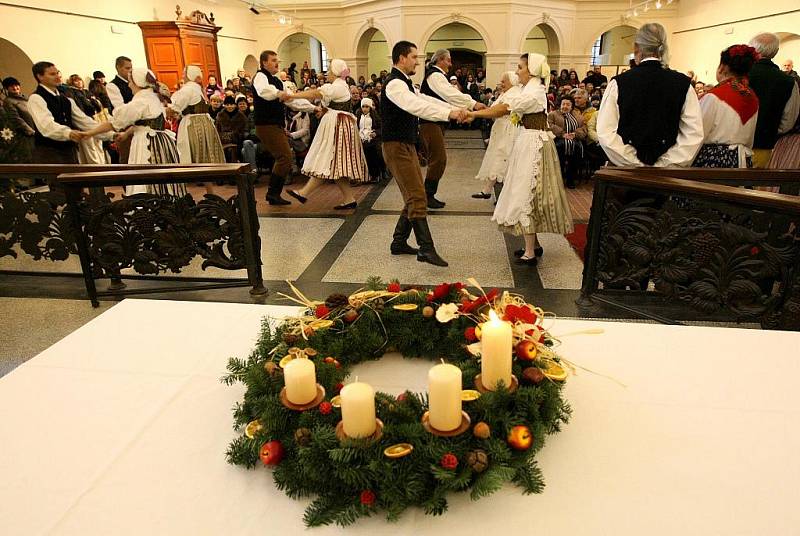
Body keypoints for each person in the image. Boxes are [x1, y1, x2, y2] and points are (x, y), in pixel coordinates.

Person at [466, 53, 573, 265]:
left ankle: (530, 253)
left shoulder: (533, 91)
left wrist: (474, 114)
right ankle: (534, 245)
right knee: (526, 192)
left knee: (526, 192)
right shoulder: (530, 89)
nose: (517, 71)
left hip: (534, 145)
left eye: (520, 67)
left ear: (531, 70)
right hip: (528, 141)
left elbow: (503, 109)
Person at [382, 41, 468, 267]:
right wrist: (450, 113)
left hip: (405, 144)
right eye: (414, 57)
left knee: (415, 193)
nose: (417, 62)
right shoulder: (394, 84)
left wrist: (452, 111)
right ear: (401, 58)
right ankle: (426, 248)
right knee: (417, 196)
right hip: (395, 146)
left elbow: (424, 100)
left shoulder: (404, 82)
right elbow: (415, 106)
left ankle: (398, 242)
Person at [597, 22, 703, 167]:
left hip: (624, 175)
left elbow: (606, 132)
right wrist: (665, 164)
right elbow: (693, 134)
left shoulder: (619, 83)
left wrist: (633, 162)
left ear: (636, 48)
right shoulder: (683, 84)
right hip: (666, 177)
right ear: (664, 47)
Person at [82, 68, 185, 196]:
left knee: (146, 179)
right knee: (161, 180)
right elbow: (144, 123)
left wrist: (89, 133)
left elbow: (113, 123)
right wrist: (126, 134)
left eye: (130, 81)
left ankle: (148, 206)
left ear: (137, 83)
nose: (129, 84)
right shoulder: (153, 97)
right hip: (160, 141)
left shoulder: (140, 102)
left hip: (147, 143)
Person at [282, 59, 369, 209]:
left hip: (338, 126)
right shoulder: (340, 86)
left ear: (335, 73)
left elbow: (317, 92)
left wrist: (293, 95)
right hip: (338, 124)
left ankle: (304, 192)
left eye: (329, 70)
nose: (327, 73)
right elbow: (332, 102)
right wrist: (323, 110)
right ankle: (349, 199)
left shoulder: (338, 86)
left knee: (327, 158)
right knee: (335, 163)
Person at [419, 49, 486, 208]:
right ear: (440, 59)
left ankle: (427, 195)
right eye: (448, 60)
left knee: (437, 160)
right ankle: (426, 196)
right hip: (430, 122)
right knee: (438, 159)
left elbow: (447, 98)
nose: (450, 64)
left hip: (435, 121)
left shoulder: (437, 75)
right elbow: (450, 94)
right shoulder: (435, 75)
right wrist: (473, 104)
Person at [252, 50, 313, 205]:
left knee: (283, 158)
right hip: (266, 125)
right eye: (273, 60)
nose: (276, 63)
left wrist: (313, 108)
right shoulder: (261, 77)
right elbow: (264, 91)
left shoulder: (277, 80)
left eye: (277, 60)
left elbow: (291, 101)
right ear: (264, 62)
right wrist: (279, 93)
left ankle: (273, 194)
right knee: (284, 157)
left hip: (275, 125)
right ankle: (272, 194)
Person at [693, 44, 760, 168]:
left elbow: (697, 134)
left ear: (722, 68)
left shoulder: (715, 96)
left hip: (714, 160)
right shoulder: (752, 97)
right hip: (742, 161)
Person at [26, 61, 107, 164]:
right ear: (40, 76)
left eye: (57, 73)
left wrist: (110, 133)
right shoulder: (36, 98)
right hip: (48, 153)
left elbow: (84, 121)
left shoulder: (66, 100)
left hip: (69, 152)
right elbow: (46, 126)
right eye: (52, 74)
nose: (57, 76)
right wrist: (68, 133)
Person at [168, 65, 225, 194]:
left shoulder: (188, 89)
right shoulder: (199, 89)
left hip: (193, 125)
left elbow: (175, 106)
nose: (183, 75)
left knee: (191, 156)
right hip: (204, 123)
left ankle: (183, 193)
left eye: (184, 73)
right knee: (203, 158)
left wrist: (167, 108)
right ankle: (210, 192)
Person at [747, 33, 800, 168]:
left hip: (734, 147)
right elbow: (788, 121)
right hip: (766, 146)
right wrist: (770, 131)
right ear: (775, 52)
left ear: (752, 49)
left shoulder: (740, 75)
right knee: (757, 187)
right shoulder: (789, 82)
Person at [472, 70, 522, 200]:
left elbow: (500, 110)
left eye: (503, 81)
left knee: (504, 159)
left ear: (512, 82)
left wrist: (474, 114)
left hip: (509, 131)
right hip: (500, 130)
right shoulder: (505, 93)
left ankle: (504, 197)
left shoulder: (514, 94)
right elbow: (493, 109)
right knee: (497, 158)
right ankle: (487, 190)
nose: (501, 83)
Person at [548, 95, 587, 188]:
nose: (565, 106)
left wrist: (575, 134)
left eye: (568, 105)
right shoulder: (553, 114)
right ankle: (558, 179)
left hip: (574, 139)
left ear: (572, 106)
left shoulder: (579, 117)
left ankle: (571, 180)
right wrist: (562, 133)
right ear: (560, 105)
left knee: (577, 149)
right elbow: (550, 125)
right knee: (560, 148)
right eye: (563, 104)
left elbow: (584, 129)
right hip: (559, 138)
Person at [356, 97, 384, 182]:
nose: (365, 109)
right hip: (361, 139)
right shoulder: (358, 116)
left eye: (367, 107)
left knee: (373, 158)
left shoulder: (374, 116)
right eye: (363, 106)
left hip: (372, 140)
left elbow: (381, 128)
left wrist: (375, 133)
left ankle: (375, 175)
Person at [215, 95, 247, 162]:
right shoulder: (220, 116)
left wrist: (234, 136)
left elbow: (244, 130)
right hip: (222, 141)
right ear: (224, 105)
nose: (229, 106)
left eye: (231, 104)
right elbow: (217, 130)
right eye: (227, 104)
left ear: (235, 105)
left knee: (232, 150)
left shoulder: (241, 116)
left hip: (238, 141)